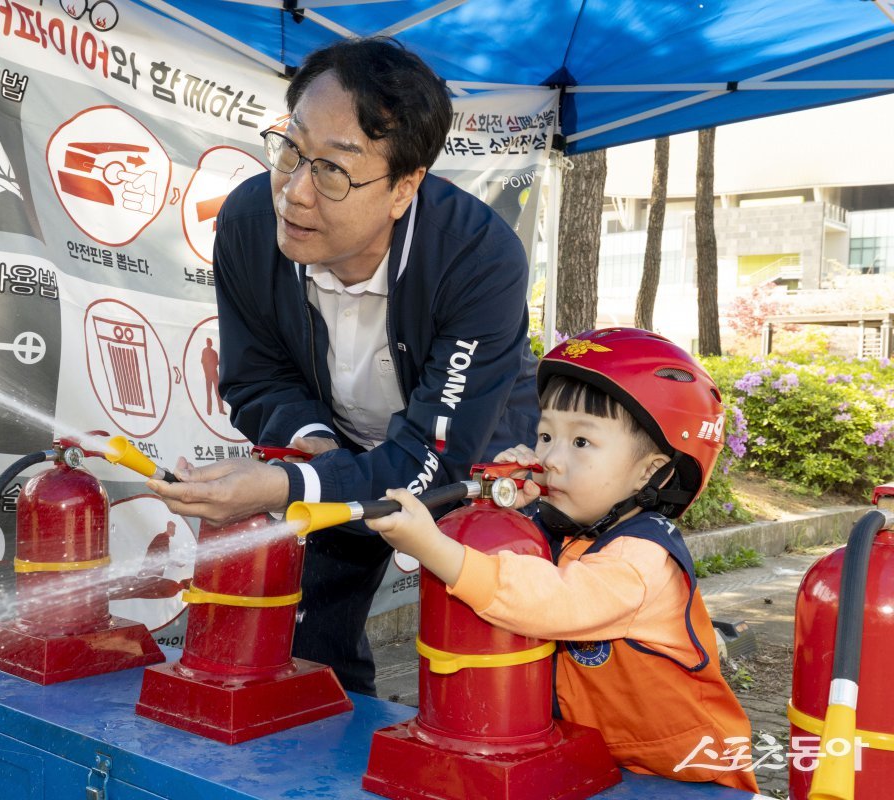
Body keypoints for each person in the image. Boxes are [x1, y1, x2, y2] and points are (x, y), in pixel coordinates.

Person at [147, 37, 539, 696]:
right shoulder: (249, 220)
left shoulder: (477, 257)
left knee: (498, 650)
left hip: (471, 450)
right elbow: (257, 377)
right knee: (305, 647)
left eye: (333, 170)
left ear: (403, 188)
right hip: (338, 447)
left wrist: (283, 485)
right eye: (291, 150)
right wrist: (314, 457)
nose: (295, 192)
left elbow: (431, 463)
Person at [367, 328, 758, 792]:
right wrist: (511, 514)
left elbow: (551, 600)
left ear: (650, 472)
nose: (549, 457)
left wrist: (435, 549)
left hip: (686, 778)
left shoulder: (642, 560)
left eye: (580, 443)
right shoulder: (573, 529)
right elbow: (529, 562)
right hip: (604, 766)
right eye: (546, 434)